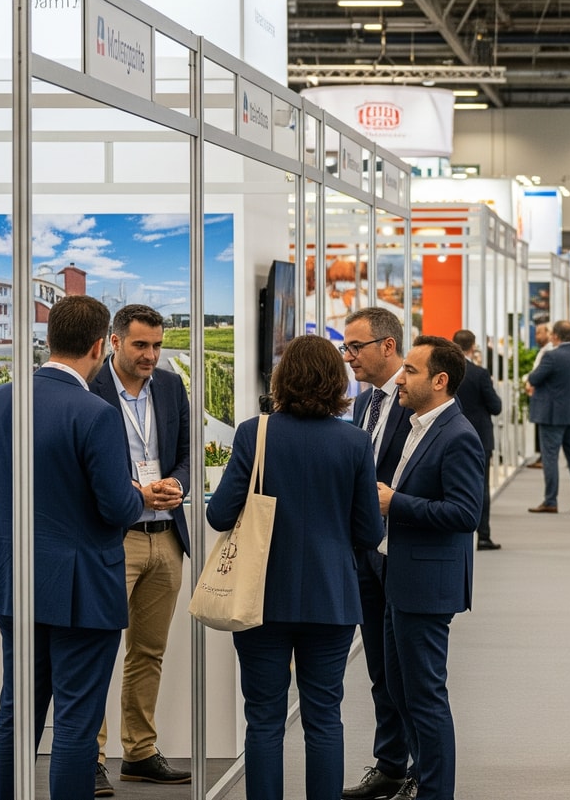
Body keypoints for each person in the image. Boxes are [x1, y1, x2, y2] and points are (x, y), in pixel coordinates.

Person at [0, 295, 145, 800]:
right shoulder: (96, 413)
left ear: (49, 341)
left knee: (16, 715)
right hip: (83, 589)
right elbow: (116, 509)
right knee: (74, 725)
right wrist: (136, 496)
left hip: (14, 581)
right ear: (98, 345)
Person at [209, 335, 385, 800]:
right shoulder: (354, 442)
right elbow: (369, 532)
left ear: (282, 378)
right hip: (332, 596)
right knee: (324, 715)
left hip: (259, 594)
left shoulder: (255, 432)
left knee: (263, 717)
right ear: (336, 382)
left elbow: (220, 515)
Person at [89, 304, 194, 794]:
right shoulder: (90, 389)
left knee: (148, 651)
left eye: (157, 345)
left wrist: (177, 482)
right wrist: (134, 493)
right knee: (97, 651)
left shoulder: (171, 387)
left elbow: (187, 454)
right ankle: (89, 756)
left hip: (166, 537)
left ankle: (140, 751)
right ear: (114, 342)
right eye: (141, 345)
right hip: (114, 537)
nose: (152, 355)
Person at [379, 336, 484, 800]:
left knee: (425, 696)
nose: (400, 378)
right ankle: (421, 780)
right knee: (402, 692)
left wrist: (393, 502)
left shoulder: (458, 435)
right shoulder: (418, 424)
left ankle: (436, 791)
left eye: (411, 372)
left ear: (439, 381)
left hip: (426, 582)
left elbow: (465, 514)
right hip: (400, 576)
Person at [340, 308, 412, 800]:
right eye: (346, 349)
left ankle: (420, 772)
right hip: (365, 550)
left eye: (356, 348)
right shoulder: (363, 403)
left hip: (405, 551)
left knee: (410, 673)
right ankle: (390, 764)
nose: (348, 358)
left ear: (387, 346)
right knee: (380, 670)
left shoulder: (422, 398)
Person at [526, 320, 570, 513]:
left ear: (555, 336)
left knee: (550, 457)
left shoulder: (551, 356)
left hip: (552, 414)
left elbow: (534, 378)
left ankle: (550, 500)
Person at [452, 329, 503, 551]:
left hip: (450, 436)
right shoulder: (480, 374)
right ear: (473, 346)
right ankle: (483, 535)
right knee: (481, 488)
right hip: (480, 437)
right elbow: (496, 406)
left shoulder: (445, 373)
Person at [524, 323, 553, 470]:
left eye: (539, 333)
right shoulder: (543, 351)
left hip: (543, 396)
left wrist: (530, 381)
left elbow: (538, 374)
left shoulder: (549, 352)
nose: (537, 337)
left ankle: (544, 458)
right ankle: (542, 456)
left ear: (548, 333)